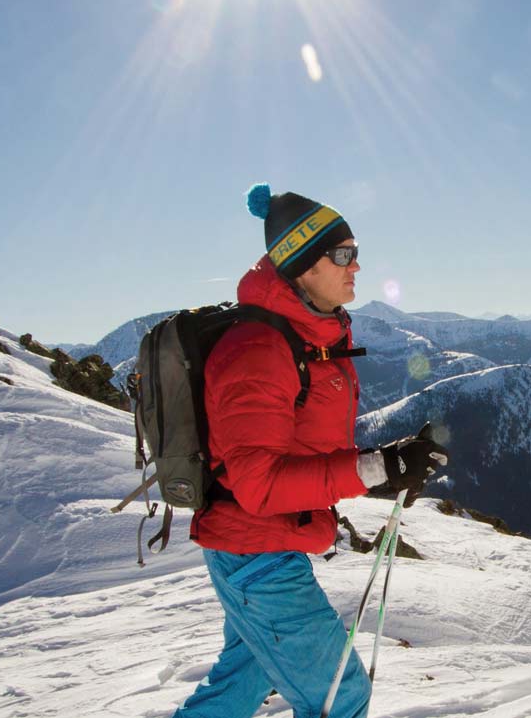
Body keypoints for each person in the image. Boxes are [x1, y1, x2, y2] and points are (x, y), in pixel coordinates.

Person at [173, 185, 449, 718]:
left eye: (355, 251)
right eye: (342, 254)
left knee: (239, 686)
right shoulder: (258, 349)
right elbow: (260, 485)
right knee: (339, 697)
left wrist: (388, 468)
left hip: (257, 547)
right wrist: (375, 468)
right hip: (256, 554)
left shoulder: (306, 339)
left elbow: (300, 451)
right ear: (302, 264)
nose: (356, 266)